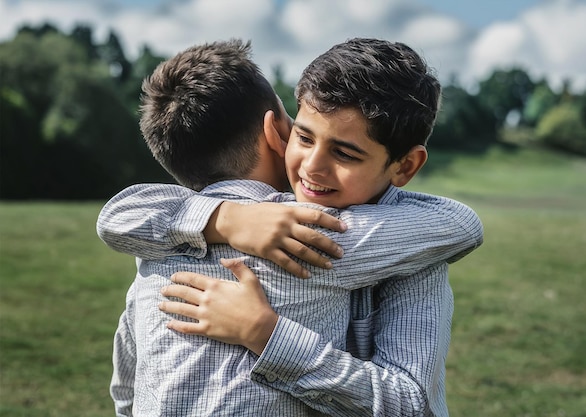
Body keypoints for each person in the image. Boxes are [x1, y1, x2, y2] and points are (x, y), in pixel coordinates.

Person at [97, 38, 483, 416]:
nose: (312, 167)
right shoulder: (183, 230)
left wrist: (266, 334)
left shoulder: (411, 247)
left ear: (406, 166)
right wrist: (229, 219)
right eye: (304, 136)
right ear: (280, 129)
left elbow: (410, 406)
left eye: (345, 153)